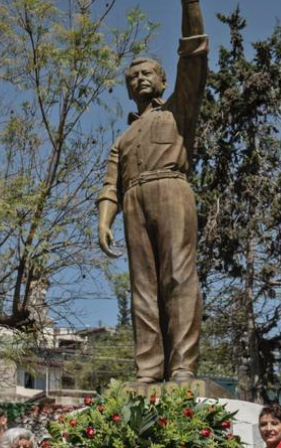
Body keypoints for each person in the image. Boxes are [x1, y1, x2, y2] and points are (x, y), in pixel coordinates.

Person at [97, 0, 208, 383]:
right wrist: (104, 221)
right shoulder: (123, 138)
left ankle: (181, 366)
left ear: (162, 81)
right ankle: (148, 369)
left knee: (178, 276)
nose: (140, 79)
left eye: (148, 73)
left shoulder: (178, 110)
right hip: (133, 201)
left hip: (171, 188)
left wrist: (189, 4)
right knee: (142, 288)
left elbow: (194, 53)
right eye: (133, 76)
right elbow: (110, 183)